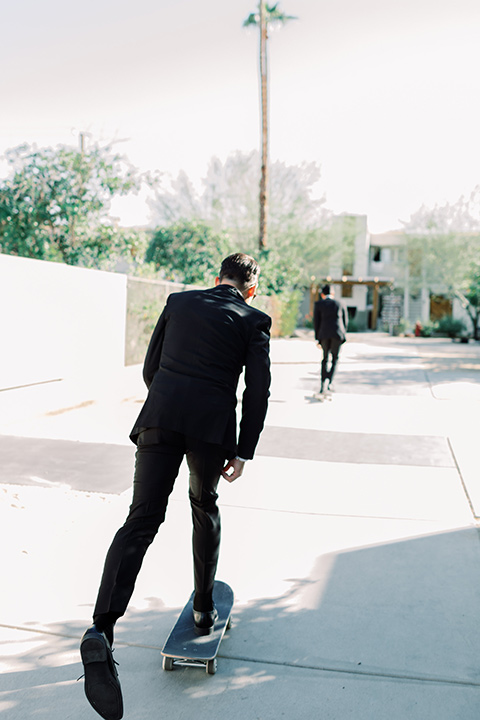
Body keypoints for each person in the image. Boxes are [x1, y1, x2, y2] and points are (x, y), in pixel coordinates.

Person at [80, 253, 271, 720]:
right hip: (210, 428)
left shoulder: (179, 302)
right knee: (202, 504)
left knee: (141, 518)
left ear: (215, 279)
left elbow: (150, 367)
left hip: (159, 419)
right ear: (251, 289)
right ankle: (204, 609)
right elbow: (258, 390)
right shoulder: (254, 319)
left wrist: (169, 399)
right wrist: (243, 449)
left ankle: (101, 627)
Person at [313, 284, 348, 394]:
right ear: (332, 293)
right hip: (337, 334)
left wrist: (317, 338)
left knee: (325, 359)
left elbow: (316, 322)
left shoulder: (319, 304)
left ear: (322, 294)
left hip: (324, 334)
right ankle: (330, 382)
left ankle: (323, 383)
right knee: (335, 359)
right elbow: (345, 321)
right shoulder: (340, 303)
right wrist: (343, 334)